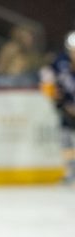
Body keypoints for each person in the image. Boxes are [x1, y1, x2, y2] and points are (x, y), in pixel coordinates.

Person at [40, 31, 75, 184]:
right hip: (66, 109)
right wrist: (59, 102)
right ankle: (71, 172)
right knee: (66, 141)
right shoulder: (59, 63)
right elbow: (46, 81)